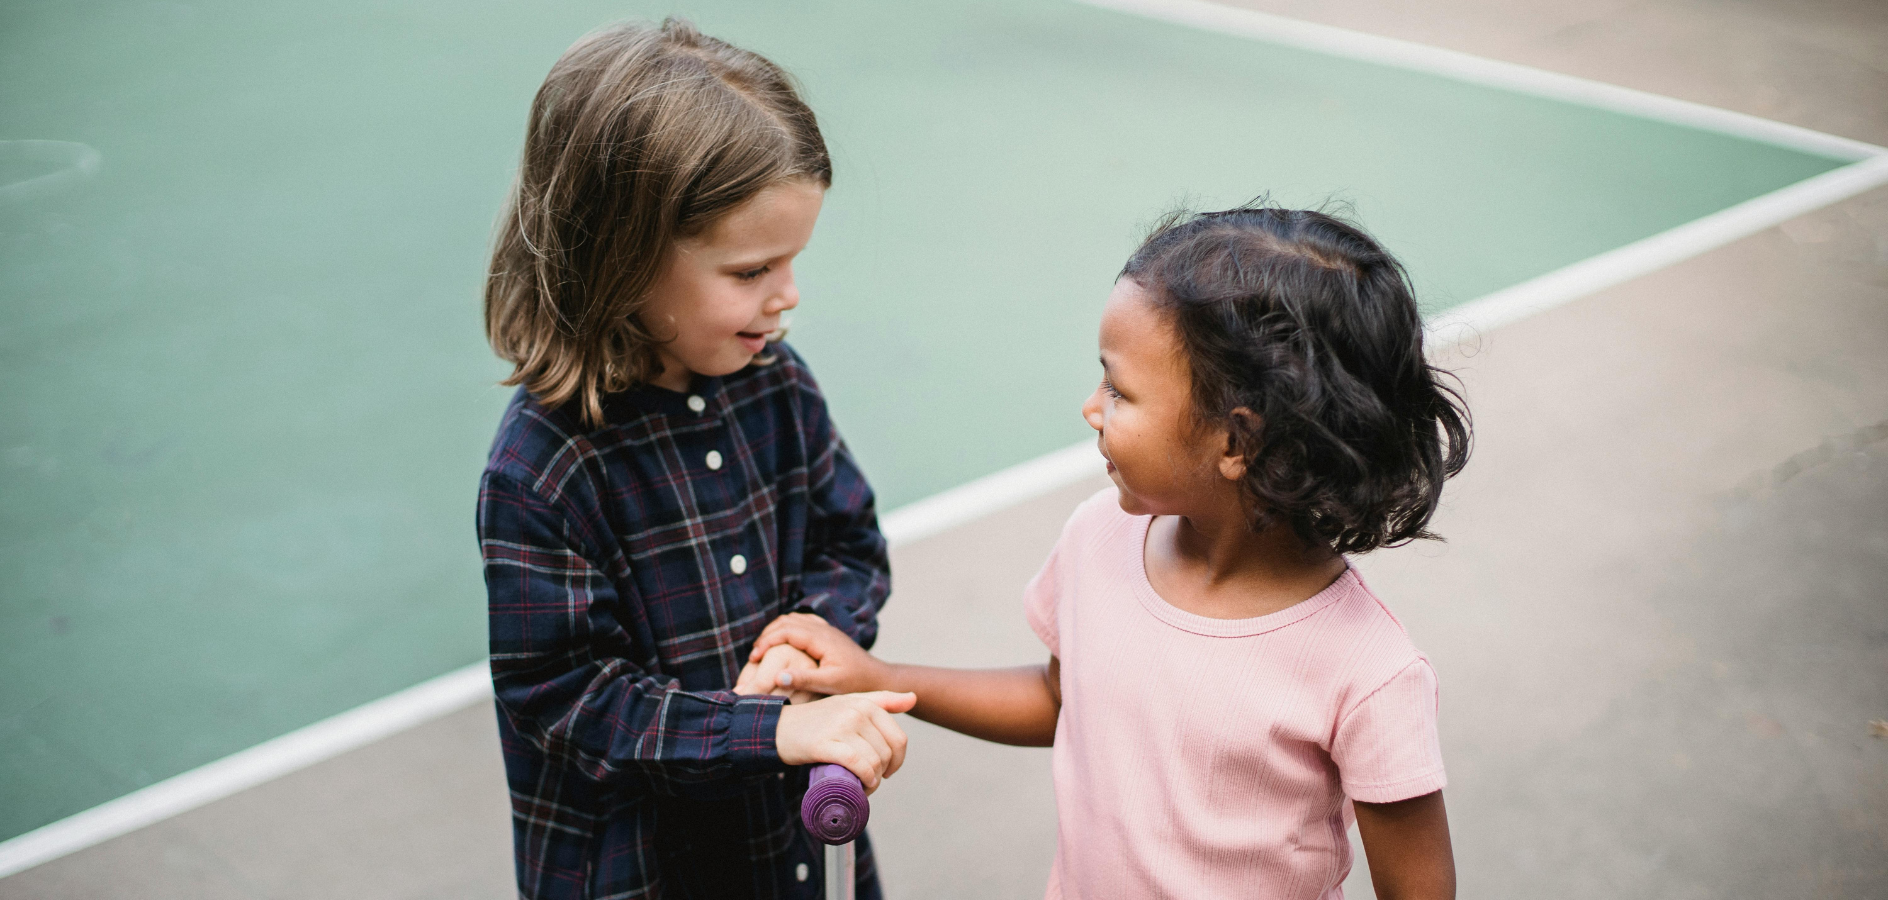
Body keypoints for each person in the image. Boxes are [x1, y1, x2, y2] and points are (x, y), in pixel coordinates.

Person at [750, 205, 1472, 899]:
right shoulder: (1099, 537)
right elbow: (1064, 698)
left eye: (1119, 391)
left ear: (1238, 441)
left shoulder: (1369, 672)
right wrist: (879, 676)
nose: (1092, 408)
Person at [477, 19, 913, 900]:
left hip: (786, 849)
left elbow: (848, 542)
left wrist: (811, 642)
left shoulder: (776, 382)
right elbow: (569, 702)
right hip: (647, 873)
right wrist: (765, 732)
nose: (788, 297)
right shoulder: (543, 469)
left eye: (793, 261)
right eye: (752, 270)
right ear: (622, 257)